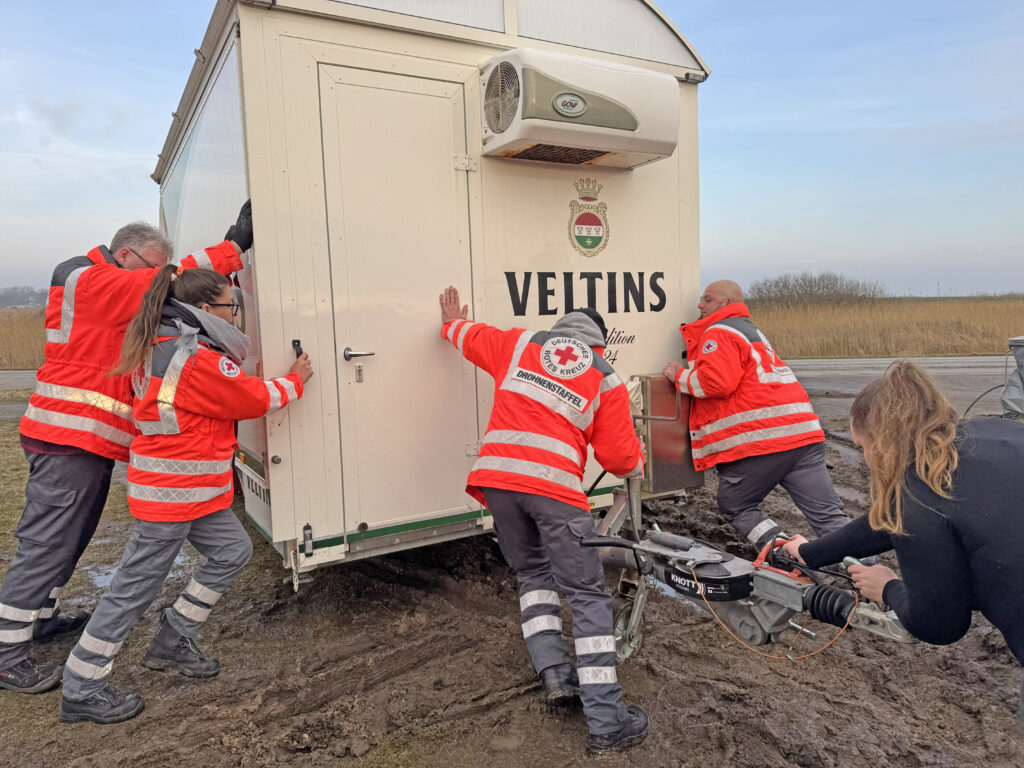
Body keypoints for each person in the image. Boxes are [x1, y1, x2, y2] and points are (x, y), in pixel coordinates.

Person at [0, 203, 253, 695]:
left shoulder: (102, 283)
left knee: (69, 539)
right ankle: (6, 654)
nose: (158, 277)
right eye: (153, 266)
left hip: (80, 439)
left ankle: (40, 618)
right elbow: (166, 284)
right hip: (68, 438)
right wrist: (232, 249)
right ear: (125, 255)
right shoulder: (82, 276)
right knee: (46, 543)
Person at [58, 266, 313, 724]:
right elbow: (253, 399)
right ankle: (82, 686)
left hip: (190, 491)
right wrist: (296, 379)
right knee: (132, 590)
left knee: (233, 551)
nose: (235, 315)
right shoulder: (193, 355)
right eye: (231, 306)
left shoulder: (161, 343)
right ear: (207, 308)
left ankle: (173, 638)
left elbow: (217, 398)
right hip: (174, 495)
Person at [438, 286, 648, 756]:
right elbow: (618, 457)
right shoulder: (604, 374)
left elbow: (472, 338)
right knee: (587, 594)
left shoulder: (520, 343)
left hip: (498, 481)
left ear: (561, 330)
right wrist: (637, 462)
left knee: (533, 575)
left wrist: (452, 323)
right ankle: (607, 721)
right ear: (599, 342)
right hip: (553, 490)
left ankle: (554, 673)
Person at [781, 362, 1024, 721]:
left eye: (862, 447)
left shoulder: (921, 499)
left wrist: (888, 587)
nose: (865, 459)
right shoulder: (994, 433)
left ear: (881, 444)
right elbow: (889, 519)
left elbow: (940, 625)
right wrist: (808, 553)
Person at [662, 280, 852, 550]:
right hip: (804, 437)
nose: (700, 305)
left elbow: (715, 383)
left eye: (708, 299)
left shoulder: (719, 332)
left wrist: (678, 376)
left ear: (726, 303)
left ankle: (785, 554)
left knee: (737, 505)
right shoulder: (749, 331)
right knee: (828, 515)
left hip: (761, 442)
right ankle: (864, 568)